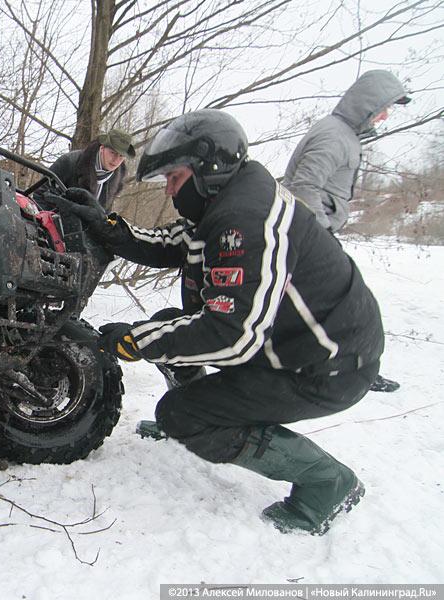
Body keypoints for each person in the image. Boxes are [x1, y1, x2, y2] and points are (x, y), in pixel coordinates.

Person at [53, 109, 383, 535]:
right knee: (170, 325)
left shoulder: (248, 222)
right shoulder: (227, 202)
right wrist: (105, 224)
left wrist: (133, 340)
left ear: (206, 168)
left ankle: (327, 481)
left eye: (174, 178)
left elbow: (234, 336)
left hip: (324, 368)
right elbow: (170, 243)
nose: (170, 191)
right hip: (289, 343)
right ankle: (203, 409)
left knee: (180, 411)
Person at [284, 69, 410, 393]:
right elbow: (303, 186)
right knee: (348, 304)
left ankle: (353, 366)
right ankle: (352, 368)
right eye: (382, 108)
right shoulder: (334, 135)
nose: (384, 116)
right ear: (365, 104)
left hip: (311, 236)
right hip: (309, 237)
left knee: (335, 307)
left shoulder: (344, 136)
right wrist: (323, 236)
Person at [48, 128, 136, 212]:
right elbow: (41, 193)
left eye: (121, 156)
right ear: (102, 148)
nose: (116, 160)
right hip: (53, 220)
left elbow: (104, 214)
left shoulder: (116, 179)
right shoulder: (69, 162)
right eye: (113, 153)